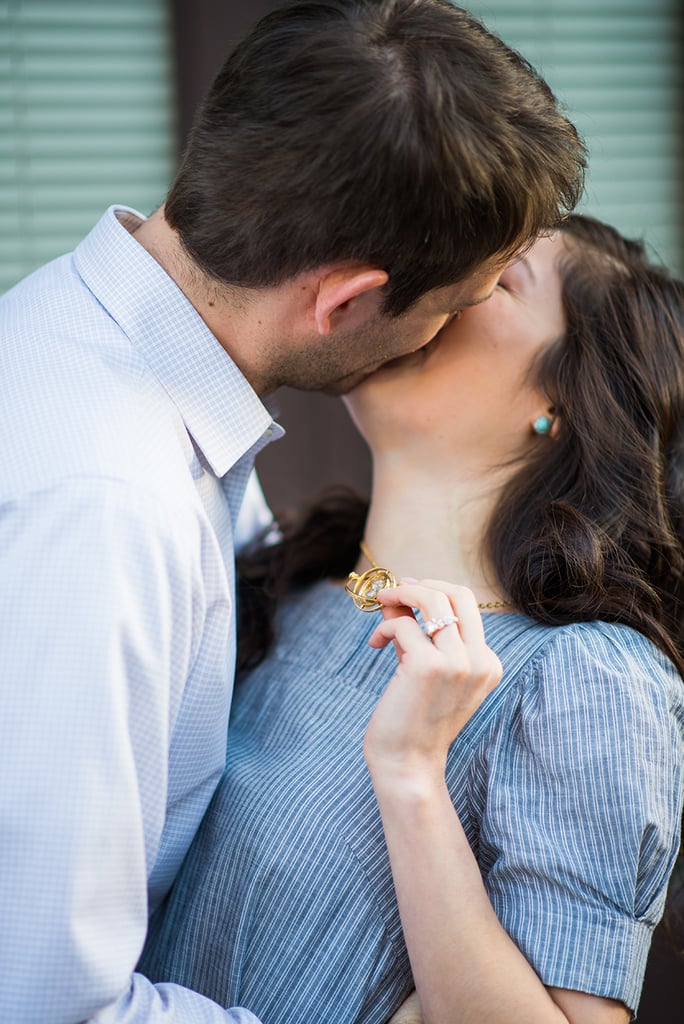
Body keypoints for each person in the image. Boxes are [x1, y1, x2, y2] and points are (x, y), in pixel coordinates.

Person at [0, 2, 587, 1022]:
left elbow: (249, 563)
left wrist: (382, 586)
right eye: (450, 307)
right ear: (348, 301)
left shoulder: (99, 344)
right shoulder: (107, 507)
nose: (444, 336)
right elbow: (49, 1001)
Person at [139, 214, 684, 1024]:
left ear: (562, 400)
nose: (438, 277)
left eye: (497, 276)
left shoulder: (584, 677)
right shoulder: (288, 584)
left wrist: (412, 775)